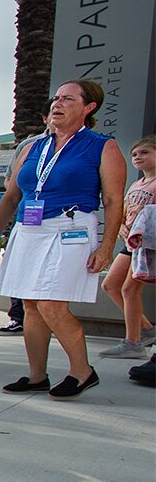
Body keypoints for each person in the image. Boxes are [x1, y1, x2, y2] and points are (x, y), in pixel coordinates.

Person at [0, 79, 124, 399]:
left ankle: (82, 371)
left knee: (51, 303)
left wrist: (106, 248)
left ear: (89, 108)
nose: (57, 104)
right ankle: (37, 376)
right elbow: (11, 196)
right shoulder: (36, 147)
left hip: (69, 228)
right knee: (31, 304)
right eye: (56, 98)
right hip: (28, 229)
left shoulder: (103, 146)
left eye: (68, 99)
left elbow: (115, 201)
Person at [99, 136, 156, 359]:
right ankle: (147, 330)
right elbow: (124, 211)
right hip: (131, 244)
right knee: (110, 285)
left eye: (145, 153)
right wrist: (122, 226)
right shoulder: (136, 184)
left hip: (148, 245)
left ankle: (133, 343)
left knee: (129, 289)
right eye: (134, 154)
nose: (138, 157)